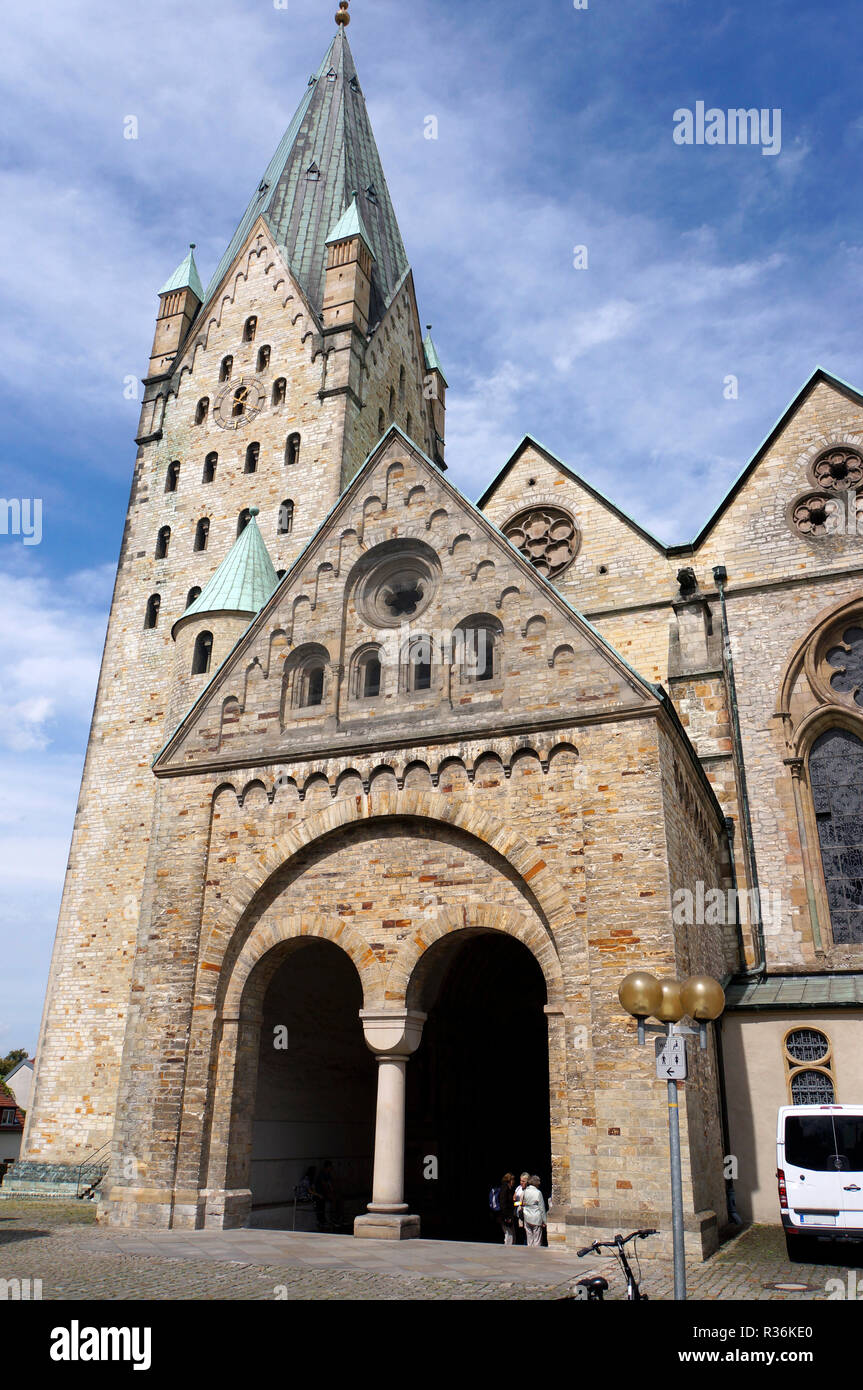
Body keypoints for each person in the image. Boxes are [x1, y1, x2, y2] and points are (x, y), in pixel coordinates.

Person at [522, 1174, 547, 1247]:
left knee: (529, 1239)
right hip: (536, 1217)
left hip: (527, 1216)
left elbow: (524, 1203)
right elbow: (541, 1207)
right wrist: (544, 1221)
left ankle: (529, 1255)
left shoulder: (525, 1191)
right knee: (537, 1240)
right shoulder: (538, 1192)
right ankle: (536, 1255)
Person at [497, 1173, 517, 1245]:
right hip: (505, 1216)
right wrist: (507, 1217)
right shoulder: (505, 1188)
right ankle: (507, 1250)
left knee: (511, 1234)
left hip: (507, 1215)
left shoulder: (509, 1189)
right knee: (509, 1235)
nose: (514, 1181)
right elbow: (503, 1204)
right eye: (513, 1179)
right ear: (509, 1180)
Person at [513, 1171, 530, 1244]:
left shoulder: (529, 1190)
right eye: (520, 1181)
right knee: (520, 1232)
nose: (521, 1182)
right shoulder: (518, 1188)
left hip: (527, 1214)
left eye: (523, 1181)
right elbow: (514, 1200)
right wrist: (520, 1202)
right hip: (519, 1214)